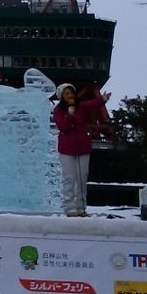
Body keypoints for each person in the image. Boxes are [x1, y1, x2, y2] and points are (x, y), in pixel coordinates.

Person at [52, 82, 111, 217]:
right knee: (69, 178)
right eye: (66, 93)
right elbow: (63, 127)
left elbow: (93, 104)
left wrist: (102, 99)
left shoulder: (81, 107)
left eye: (71, 92)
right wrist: (70, 115)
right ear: (62, 96)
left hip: (82, 148)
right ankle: (69, 207)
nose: (70, 95)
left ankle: (81, 207)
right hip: (66, 150)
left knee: (81, 178)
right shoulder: (58, 110)